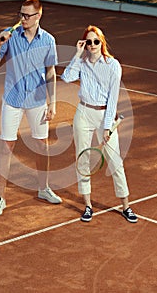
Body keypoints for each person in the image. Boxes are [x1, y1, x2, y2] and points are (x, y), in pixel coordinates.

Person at [0, 0, 62, 216]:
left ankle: (44, 189)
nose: (22, 18)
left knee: (42, 146)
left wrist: (53, 102)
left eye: (27, 15)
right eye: (21, 14)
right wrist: (0, 43)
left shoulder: (48, 40)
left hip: (38, 100)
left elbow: (50, 72)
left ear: (38, 16)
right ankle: (0, 198)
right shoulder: (9, 36)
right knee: (6, 147)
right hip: (13, 100)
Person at [61, 25, 137, 223]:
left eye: (96, 41)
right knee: (83, 160)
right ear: (84, 43)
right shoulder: (82, 62)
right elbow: (67, 77)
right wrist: (77, 54)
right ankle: (87, 205)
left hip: (105, 115)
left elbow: (113, 98)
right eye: (89, 41)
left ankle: (126, 206)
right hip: (83, 113)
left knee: (115, 161)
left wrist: (106, 127)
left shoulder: (113, 65)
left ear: (101, 42)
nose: (92, 45)